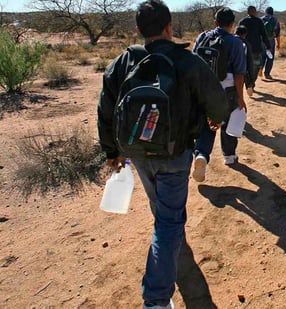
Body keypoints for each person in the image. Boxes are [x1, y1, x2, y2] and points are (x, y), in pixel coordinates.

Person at [97, 1, 229, 308]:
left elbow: (105, 110)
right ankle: (156, 299)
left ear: (139, 30)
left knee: (162, 208)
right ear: (169, 28)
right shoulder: (188, 61)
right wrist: (214, 119)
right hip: (175, 153)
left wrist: (111, 151)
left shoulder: (122, 62)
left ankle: (169, 238)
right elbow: (219, 103)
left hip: (136, 152)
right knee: (168, 222)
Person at [191, 7, 247, 182]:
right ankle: (229, 156)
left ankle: (201, 155)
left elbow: (193, 62)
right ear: (232, 24)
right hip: (227, 90)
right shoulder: (237, 43)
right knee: (228, 123)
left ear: (215, 22)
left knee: (206, 126)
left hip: (204, 89)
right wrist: (241, 97)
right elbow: (239, 74)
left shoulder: (202, 37)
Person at [238, 6, 271, 94]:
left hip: (244, 49)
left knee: (245, 68)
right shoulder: (259, 21)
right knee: (255, 67)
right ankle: (251, 84)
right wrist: (268, 46)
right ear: (255, 12)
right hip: (256, 49)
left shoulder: (242, 21)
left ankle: (248, 84)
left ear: (248, 12)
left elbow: (237, 35)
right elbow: (264, 35)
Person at [261, 6, 281, 79]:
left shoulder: (260, 19)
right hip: (270, 41)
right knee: (270, 57)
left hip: (261, 41)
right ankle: (267, 74)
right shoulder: (275, 20)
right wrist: (278, 44)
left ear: (266, 12)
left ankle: (260, 69)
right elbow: (277, 34)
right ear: (273, 12)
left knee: (262, 56)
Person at [235, 25, 254, 97]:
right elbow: (250, 62)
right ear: (245, 34)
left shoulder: (229, 41)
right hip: (241, 71)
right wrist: (251, 80)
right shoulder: (246, 44)